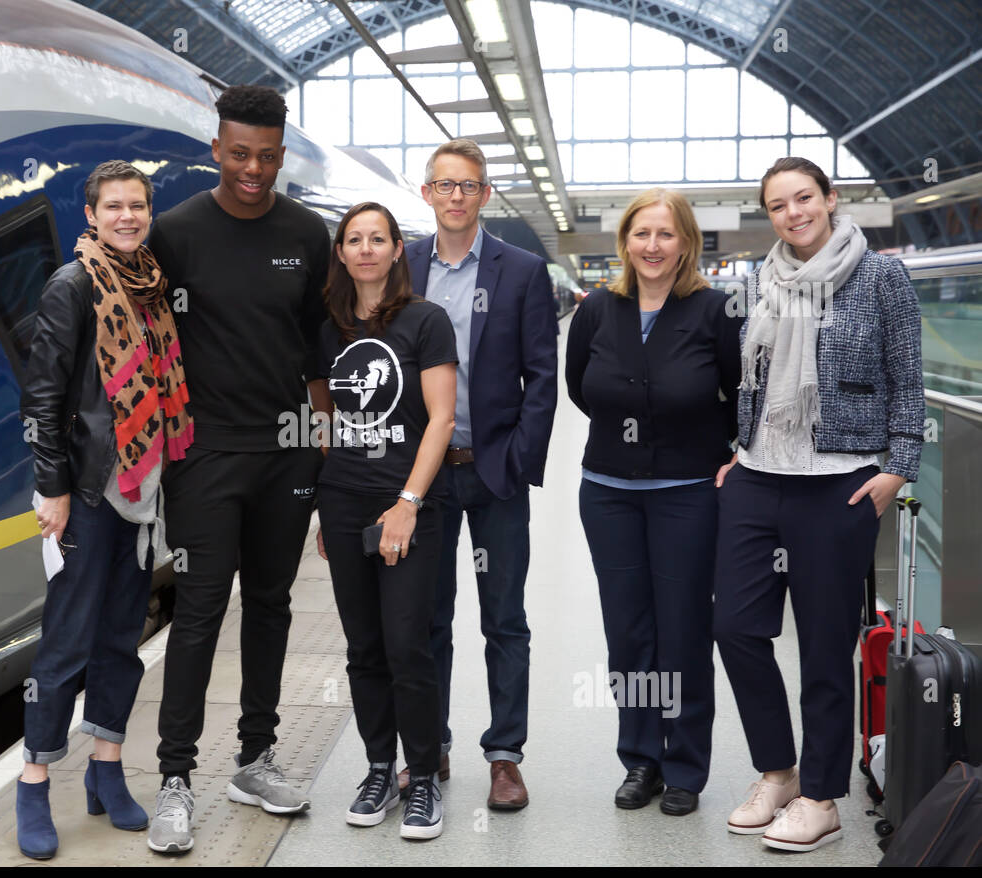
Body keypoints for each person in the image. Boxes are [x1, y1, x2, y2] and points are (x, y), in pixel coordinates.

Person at [715, 156, 923, 851]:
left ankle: (821, 796)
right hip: (756, 476)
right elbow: (748, 381)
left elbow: (908, 377)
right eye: (778, 204)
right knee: (737, 628)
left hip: (840, 479)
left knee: (827, 647)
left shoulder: (881, 276)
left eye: (804, 197)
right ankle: (777, 770)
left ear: (831, 199)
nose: (793, 212)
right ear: (769, 216)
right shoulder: (758, 281)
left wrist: (899, 470)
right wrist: (735, 448)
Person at [143, 85, 330, 854]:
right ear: (216, 150)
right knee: (198, 614)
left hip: (285, 452)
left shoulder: (308, 233)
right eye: (239, 153)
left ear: (281, 155)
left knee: (273, 605)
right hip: (204, 455)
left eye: (267, 156)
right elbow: (138, 343)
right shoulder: (175, 233)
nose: (253, 168)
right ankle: (176, 780)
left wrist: (323, 449)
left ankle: (255, 759)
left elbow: (318, 353)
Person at [16, 159, 193, 860]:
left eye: (137, 205)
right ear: (90, 214)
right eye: (113, 206)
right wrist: (54, 488)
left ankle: (106, 771)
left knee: (122, 638)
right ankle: (33, 782)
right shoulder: (72, 286)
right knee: (66, 642)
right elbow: (43, 397)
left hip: (140, 495)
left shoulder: (150, 286)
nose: (126, 216)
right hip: (88, 494)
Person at [565, 188, 738, 816]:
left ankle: (686, 765)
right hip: (608, 492)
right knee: (629, 633)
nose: (653, 246)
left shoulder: (715, 311)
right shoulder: (596, 312)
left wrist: (724, 450)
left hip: (689, 494)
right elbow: (581, 389)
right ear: (625, 242)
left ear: (686, 242)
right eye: (642, 234)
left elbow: (739, 391)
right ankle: (641, 759)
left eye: (666, 234)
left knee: (684, 631)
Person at [399, 139, 557, 810]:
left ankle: (504, 756)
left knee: (504, 620)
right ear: (427, 193)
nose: (456, 196)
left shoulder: (520, 271)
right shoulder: (403, 267)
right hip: (425, 480)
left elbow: (543, 378)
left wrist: (517, 461)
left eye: (469, 186)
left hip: (493, 477)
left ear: (484, 195)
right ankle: (429, 746)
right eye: (445, 185)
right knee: (426, 619)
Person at [310, 201, 457, 839]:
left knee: (407, 644)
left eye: (378, 238)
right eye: (354, 239)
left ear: (398, 249)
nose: (366, 248)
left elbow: (442, 419)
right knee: (364, 647)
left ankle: (421, 776)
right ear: (341, 252)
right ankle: (378, 767)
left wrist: (407, 503)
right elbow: (327, 421)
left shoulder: (427, 321)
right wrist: (325, 503)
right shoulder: (328, 328)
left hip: (409, 503)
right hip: (344, 501)